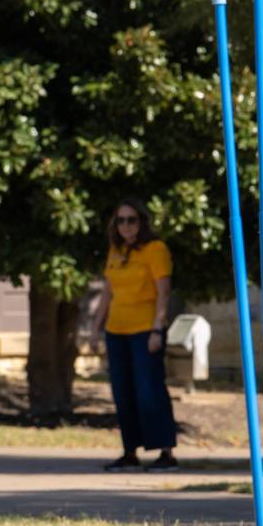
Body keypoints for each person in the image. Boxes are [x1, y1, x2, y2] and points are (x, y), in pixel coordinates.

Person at [89, 198, 179, 470]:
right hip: (117, 330)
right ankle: (130, 451)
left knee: (149, 390)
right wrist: (95, 328)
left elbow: (164, 291)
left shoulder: (156, 249)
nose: (126, 225)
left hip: (145, 330)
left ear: (142, 222)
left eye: (131, 220)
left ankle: (166, 452)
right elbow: (107, 292)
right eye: (121, 220)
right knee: (122, 391)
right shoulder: (116, 251)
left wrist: (157, 328)